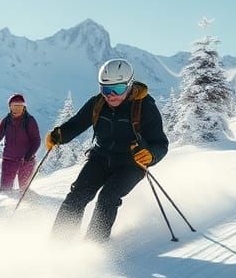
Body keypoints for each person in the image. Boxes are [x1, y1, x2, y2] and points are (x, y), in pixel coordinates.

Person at [46, 58, 169, 241]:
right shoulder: (98, 103)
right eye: (105, 89)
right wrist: (59, 135)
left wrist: (151, 156)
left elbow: (160, 144)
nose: (110, 95)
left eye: (117, 89)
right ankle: (58, 243)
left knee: (107, 197)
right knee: (77, 195)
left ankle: (93, 247)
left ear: (129, 85)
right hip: (101, 158)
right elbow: (77, 124)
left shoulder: (145, 107)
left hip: (131, 164)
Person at [0, 93, 40, 194]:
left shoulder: (29, 121)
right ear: (10, 107)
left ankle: (31, 207)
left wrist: (28, 156)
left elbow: (36, 140)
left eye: (20, 107)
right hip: (9, 160)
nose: (17, 110)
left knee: (24, 190)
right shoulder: (6, 121)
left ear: (24, 107)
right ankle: (5, 209)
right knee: (5, 190)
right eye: (14, 107)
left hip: (26, 160)